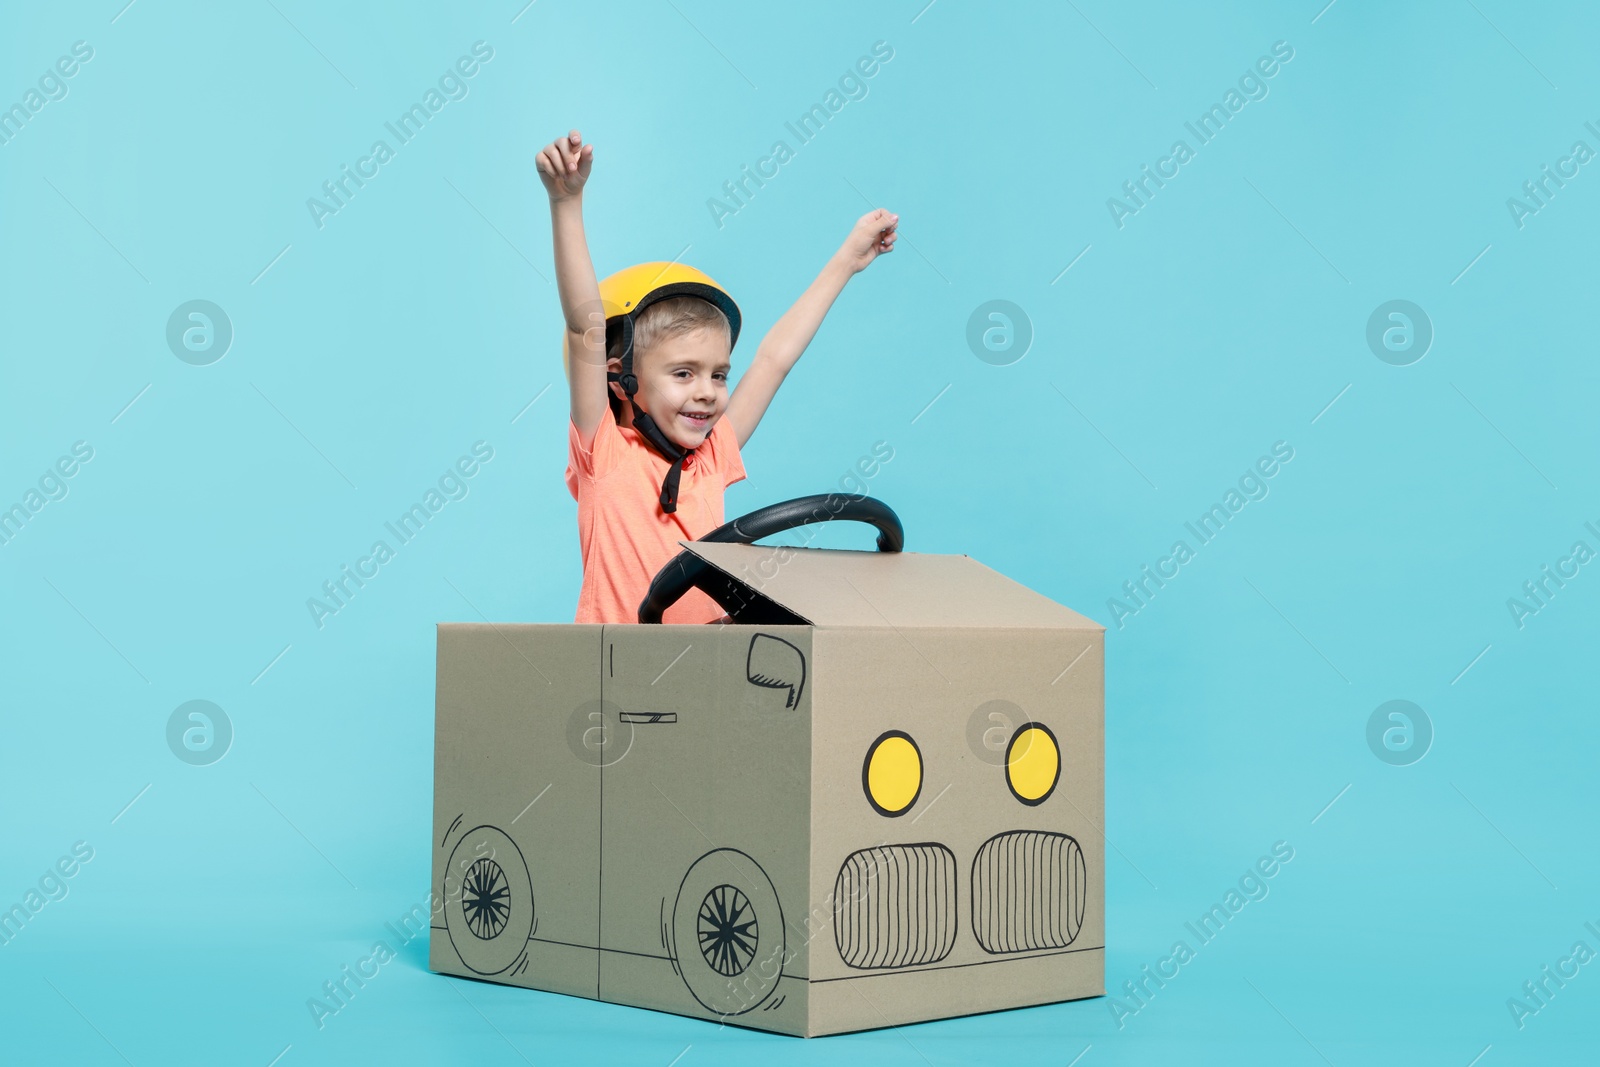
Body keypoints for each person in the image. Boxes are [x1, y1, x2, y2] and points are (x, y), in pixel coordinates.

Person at [537, 128, 898, 624]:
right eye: (684, 373)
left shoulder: (710, 457)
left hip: (707, 678)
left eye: (719, 375)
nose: (706, 392)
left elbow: (774, 358)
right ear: (620, 378)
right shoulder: (604, 454)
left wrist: (846, 262)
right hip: (617, 678)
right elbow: (585, 327)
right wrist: (566, 201)